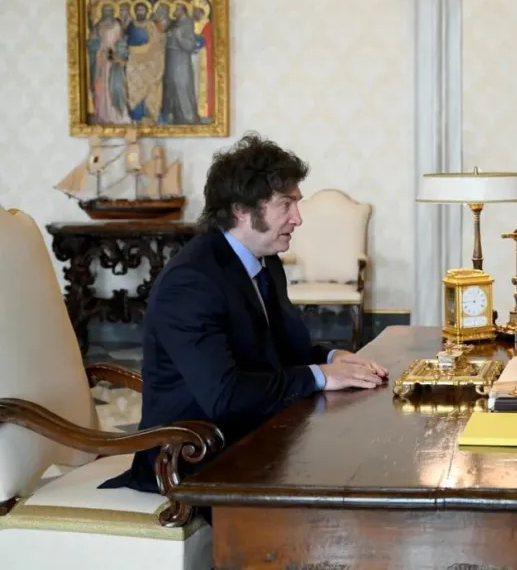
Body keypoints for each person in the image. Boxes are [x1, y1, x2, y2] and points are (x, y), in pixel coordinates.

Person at [101, 133, 387, 495]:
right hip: (191, 459)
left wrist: (334, 358)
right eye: (286, 204)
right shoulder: (191, 282)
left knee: (354, 461)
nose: (298, 218)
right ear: (241, 209)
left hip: (251, 437)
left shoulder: (266, 261)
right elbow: (226, 395)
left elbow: (280, 353)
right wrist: (319, 375)